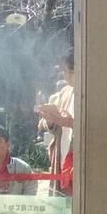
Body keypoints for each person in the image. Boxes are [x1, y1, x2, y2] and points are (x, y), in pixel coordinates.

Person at [37, 47, 74, 196]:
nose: (66, 76)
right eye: (65, 72)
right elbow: (47, 126)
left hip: (82, 161)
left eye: (71, 72)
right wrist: (51, 121)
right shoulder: (65, 92)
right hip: (62, 157)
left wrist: (71, 123)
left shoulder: (93, 93)